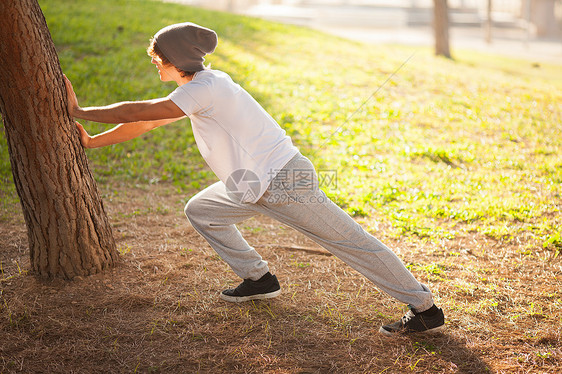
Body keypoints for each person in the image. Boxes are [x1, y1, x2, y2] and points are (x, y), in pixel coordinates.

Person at [64, 22, 445, 335]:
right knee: (202, 210)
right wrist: (93, 141)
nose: (155, 64)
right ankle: (259, 279)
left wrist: (80, 111)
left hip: (284, 181)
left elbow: (144, 109)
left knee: (351, 243)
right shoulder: (198, 89)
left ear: (175, 59)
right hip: (251, 185)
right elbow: (148, 120)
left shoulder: (206, 87)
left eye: (158, 58)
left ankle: (425, 307)